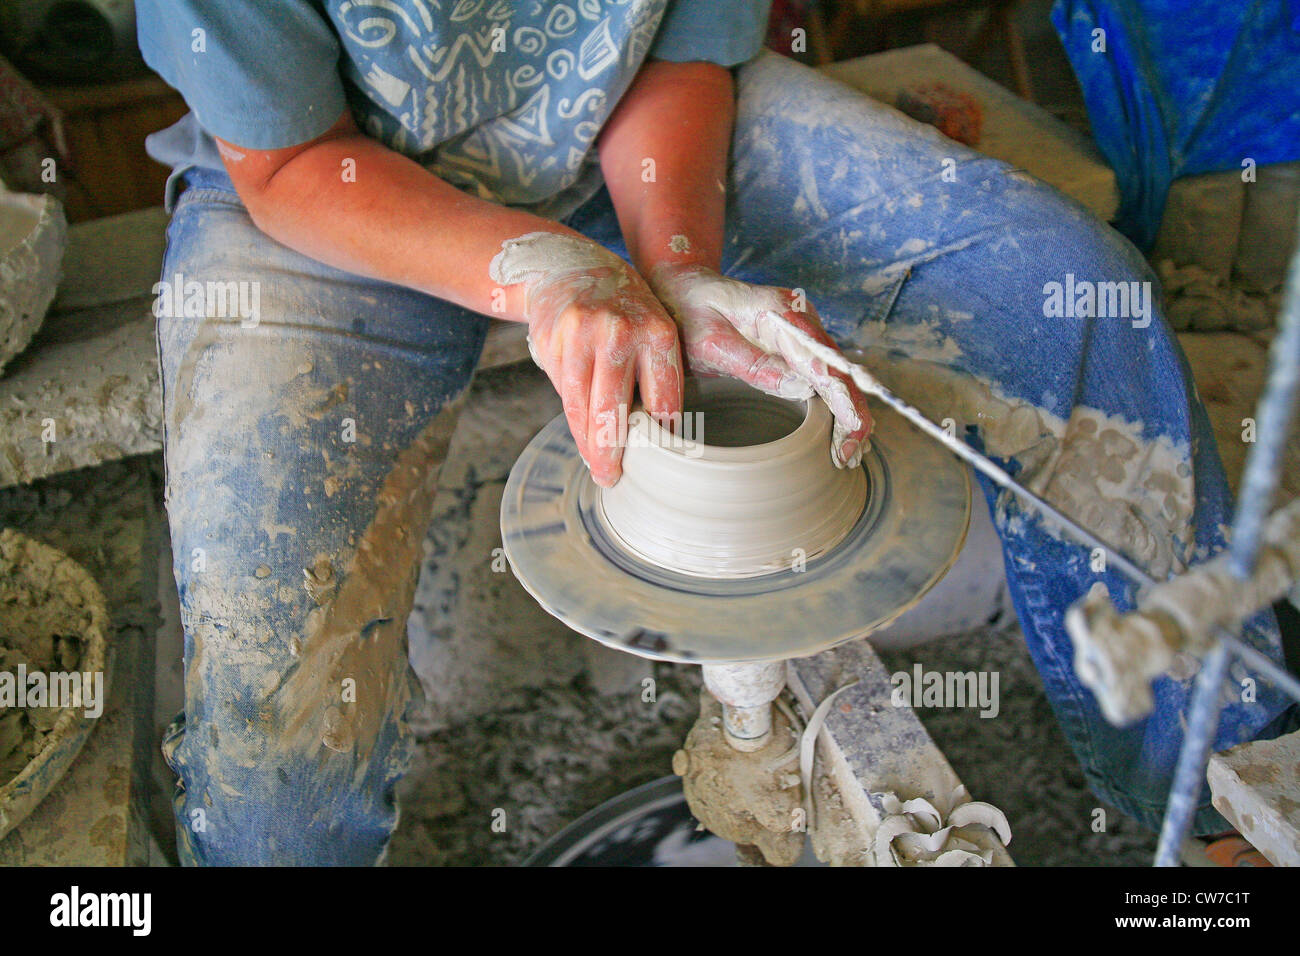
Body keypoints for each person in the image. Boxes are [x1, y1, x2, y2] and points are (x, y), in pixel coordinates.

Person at [137, 1, 1292, 865]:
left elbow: (682, 49)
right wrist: (547, 274)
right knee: (275, 749)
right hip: (325, 189)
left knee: (1070, 295)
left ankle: (1218, 796)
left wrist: (675, 263)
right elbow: (289, 157)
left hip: (633, 138)